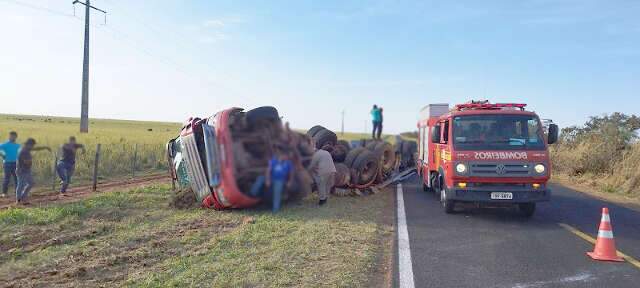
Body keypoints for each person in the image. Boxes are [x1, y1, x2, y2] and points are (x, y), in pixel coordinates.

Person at [16, 138, 51, 204]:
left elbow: (36, 149)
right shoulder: (24, 151)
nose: (33, 146)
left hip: (26, 170)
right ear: (29, 144)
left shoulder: (27, 149)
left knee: (31, 183)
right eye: (32, 145)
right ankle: (18, 199)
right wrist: (31, 159)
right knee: (21, 185)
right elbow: (26, 162)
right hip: (22, 171)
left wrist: (45, 147)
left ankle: (23, 196)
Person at [0, 131, 20, 198]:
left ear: (16, 137)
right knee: (7, 178)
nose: (12, 137)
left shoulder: (17, 145)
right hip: (7, 163)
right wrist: (2, 155)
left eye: (14, 136)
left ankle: (17, 192)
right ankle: (4, 193)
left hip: (15, 163)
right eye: (11, 136)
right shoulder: (5, 144)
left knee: (17, 178)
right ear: (9, 136)